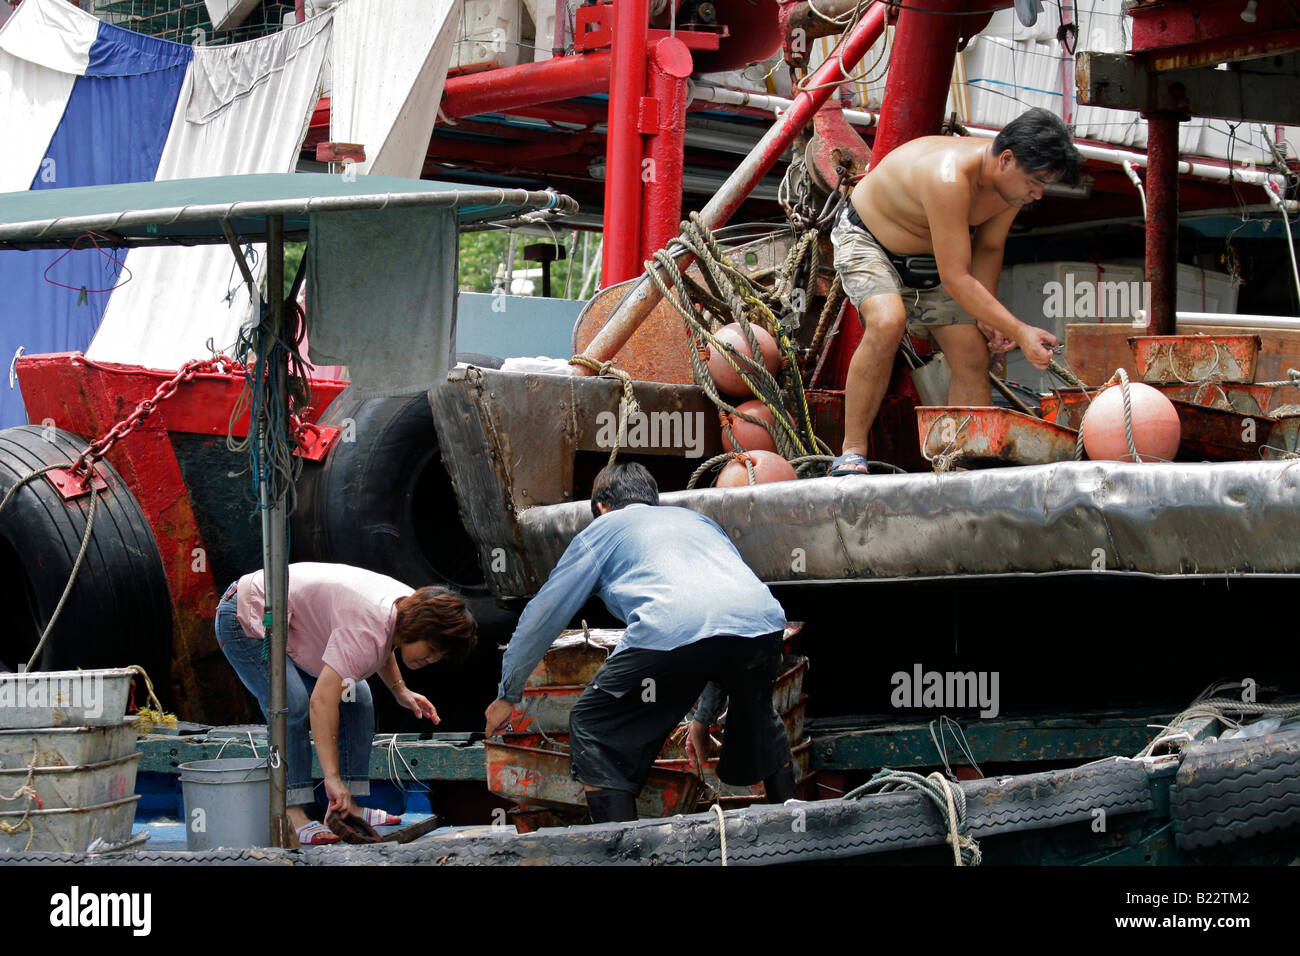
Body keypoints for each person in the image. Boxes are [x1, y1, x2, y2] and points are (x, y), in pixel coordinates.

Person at [484, 462, 795, 823]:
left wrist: (508, 694)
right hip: (764, 625)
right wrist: (702, 721)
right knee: (758, 715)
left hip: (672, 628)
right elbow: (716, 629)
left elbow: (544, 615)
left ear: (600, 506)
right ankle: (790, 824)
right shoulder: (698, 522)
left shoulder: (602, 530)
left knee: (595, 725)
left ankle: (621, 843)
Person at [829, 107, 1081, 475]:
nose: (1038, 194)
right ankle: (851, 452)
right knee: (887, 321)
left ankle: (962, 462)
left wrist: (987, 316)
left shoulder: (1010, 190)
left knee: (972, 352)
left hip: (931, 257)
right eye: (1036, 181)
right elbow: (957, 278)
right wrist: (1019, 331)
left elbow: (990, 248)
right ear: (1007, 160)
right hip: (868, 241)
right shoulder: (949, 177)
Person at [215, 562, 476, 845]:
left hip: (293, 624)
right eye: (433, 650)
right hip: (250, 615)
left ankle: (345, 805)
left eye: (440, 656)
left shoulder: (408, 608)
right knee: (292, 704)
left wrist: (399, 689)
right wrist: (331, 777)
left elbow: (383, 643)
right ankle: (289, 809)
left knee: (358, 698)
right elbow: (322, 702)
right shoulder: (371, 623)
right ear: (419, 627)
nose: (432, 659)